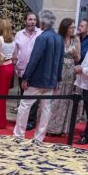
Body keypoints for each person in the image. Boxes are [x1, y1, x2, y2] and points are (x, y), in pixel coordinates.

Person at [13, 10, 63, 143]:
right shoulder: (59, 38)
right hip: (51, 80)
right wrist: (58, 79)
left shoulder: (42, 38)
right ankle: (39, 137)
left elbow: (34, 59)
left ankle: (18, 135)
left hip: (37, 79)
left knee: (25, 105)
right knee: (46, 109)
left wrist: (26, 77)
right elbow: (60, 62)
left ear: (43, 22)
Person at [46, 18, 80, 135]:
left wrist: (75, 54)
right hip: (59, 70)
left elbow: (78, 58)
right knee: (55, 99)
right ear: (65, 28)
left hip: (70, 72)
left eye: (74, 27)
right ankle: (51, 128)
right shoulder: (58, 38)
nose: (73, 30)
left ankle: (63, 129)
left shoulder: (75, 39)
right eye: (71, 27)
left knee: (66, 100)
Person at [13, 12, 42, 122]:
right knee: (24, 95)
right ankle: (23, 119)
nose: (32, 22)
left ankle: (31, 120)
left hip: (36, 70)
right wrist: (14, 65)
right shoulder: (19, 34)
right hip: (22, 70)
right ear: (25, 21)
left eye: (34, 20)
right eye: (30, 19)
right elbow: (15, 51)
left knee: (34, 97)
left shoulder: (40, 33)